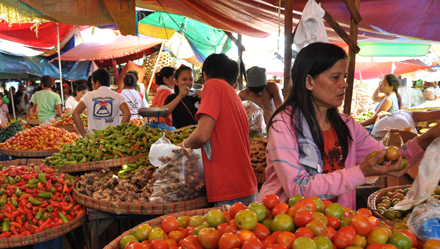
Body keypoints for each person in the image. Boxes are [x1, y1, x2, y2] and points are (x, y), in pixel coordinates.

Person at [257, 42, 440, 210]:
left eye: (343, 77)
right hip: (287, 226)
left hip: (336, 227)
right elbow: (298, 188)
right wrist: (361, 171)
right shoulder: (283, 125)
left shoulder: (347, 126)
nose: (344, 84)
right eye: (335, 77)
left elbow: (389, 160)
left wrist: (427, 138)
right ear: (309, 81)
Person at [179, 54, 258, 206]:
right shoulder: (233, 96)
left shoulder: (213, 85)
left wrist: (182, 146)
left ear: (205, 75)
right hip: (244, 184)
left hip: (229, 186)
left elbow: (202, 135)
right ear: (233, 81)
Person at [72, 69, 130, 137]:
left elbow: (75, 113)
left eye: (92, 83)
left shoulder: (88, 96)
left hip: (93, 139)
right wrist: (119, 131)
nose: (92, 86)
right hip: (112, 139)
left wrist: (83, 133)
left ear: (97, 83)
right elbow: (127, 113)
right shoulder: (118, 96)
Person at [369, 109, 440, 140]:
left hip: (376, 132)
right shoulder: (413, 114)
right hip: (383, 132)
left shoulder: (400, 114)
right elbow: (434, 114)